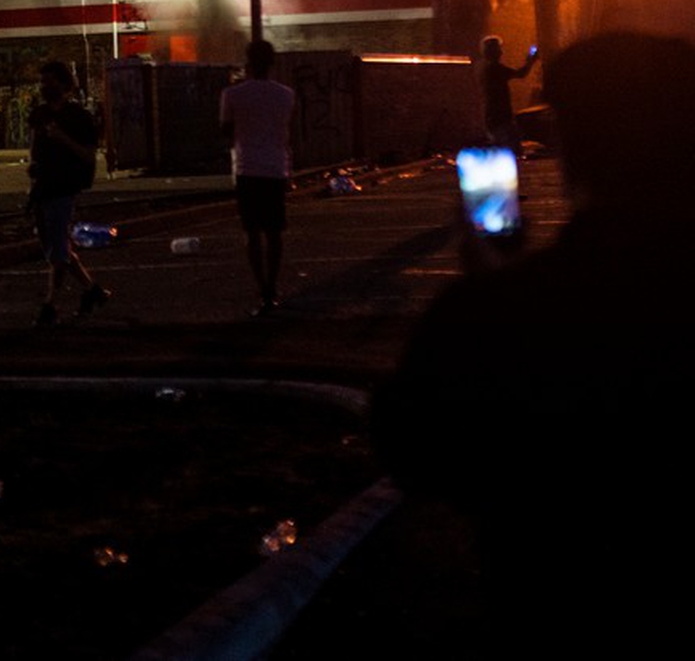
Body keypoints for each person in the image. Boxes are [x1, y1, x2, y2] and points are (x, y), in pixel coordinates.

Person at [375, 32, 695, 654]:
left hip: (554, 613)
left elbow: (416, 452)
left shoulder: (507, 312)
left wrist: (488, 292)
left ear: (569, 143)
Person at [26, 60, 109, 326]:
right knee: (54, 249)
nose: (44, 86)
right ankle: (92, 290)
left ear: (63, 84)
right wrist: (32, 169)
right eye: (42, 81)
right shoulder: (39, 114)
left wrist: (63, 139)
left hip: (64, 188)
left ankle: (49, 304)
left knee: (58, 250)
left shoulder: (78, 117)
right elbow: (33, 147)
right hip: (42, 187)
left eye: (48, 81)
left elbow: (88, 155)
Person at [218, 38, 297, 316]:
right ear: (272, 63)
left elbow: (225, 131)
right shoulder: (286, 94)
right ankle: (272, 289)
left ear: (248, 62)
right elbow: (288, 130)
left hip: (247, 169)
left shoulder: (232, 95)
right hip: (275, 168)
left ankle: (261, 288)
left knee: (252, 233)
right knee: (275, 233)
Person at [476, 34, 537, 150]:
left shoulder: (482, 67)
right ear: (494, 51)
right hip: (501, 117)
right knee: (511, 148)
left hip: (490, 116)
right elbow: (521, 74)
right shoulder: (495, 68)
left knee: (501, 149)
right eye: (499, 49)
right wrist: (531, 60)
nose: (501, 52)